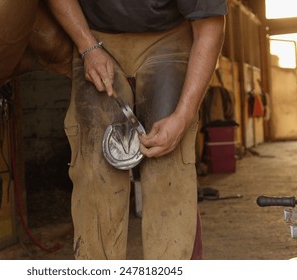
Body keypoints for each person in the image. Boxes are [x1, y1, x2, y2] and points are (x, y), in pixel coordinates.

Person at [46, 0, 227, 260]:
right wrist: (87, 46)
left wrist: (184, 115)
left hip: (168, 36)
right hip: (95, 35)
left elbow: (210, 25)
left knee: (168, 161)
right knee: (96, 164)